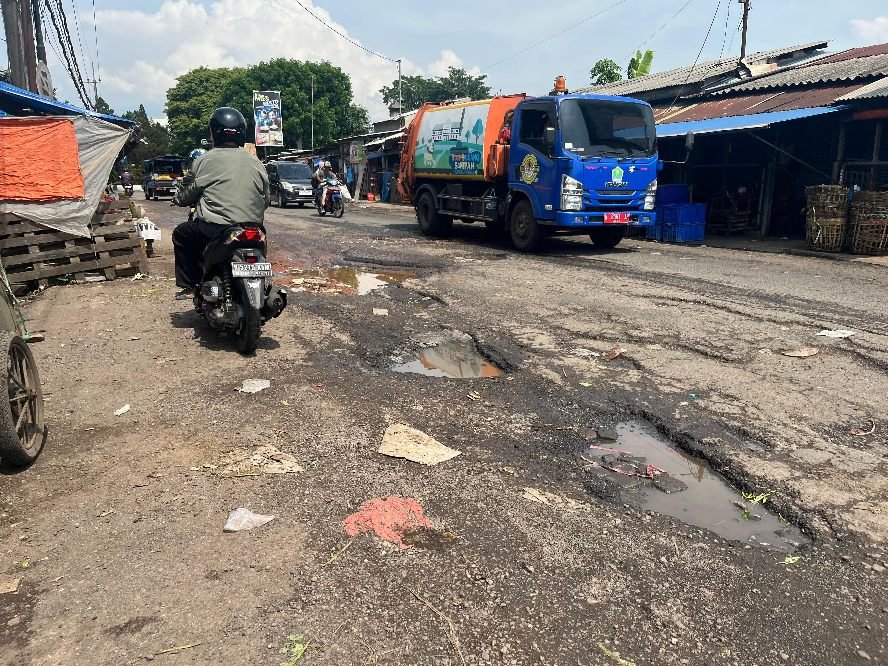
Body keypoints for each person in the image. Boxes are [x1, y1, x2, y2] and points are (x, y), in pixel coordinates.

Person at [171, 107, 271, 300]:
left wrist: (179, 199)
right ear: (241, 132)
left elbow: (188, 194)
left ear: (214, 133)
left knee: (181, 234)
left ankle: (191, 284)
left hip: (215, 228)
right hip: (253, 228)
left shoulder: (203, 160)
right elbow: (265, 199)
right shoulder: (257, 162)